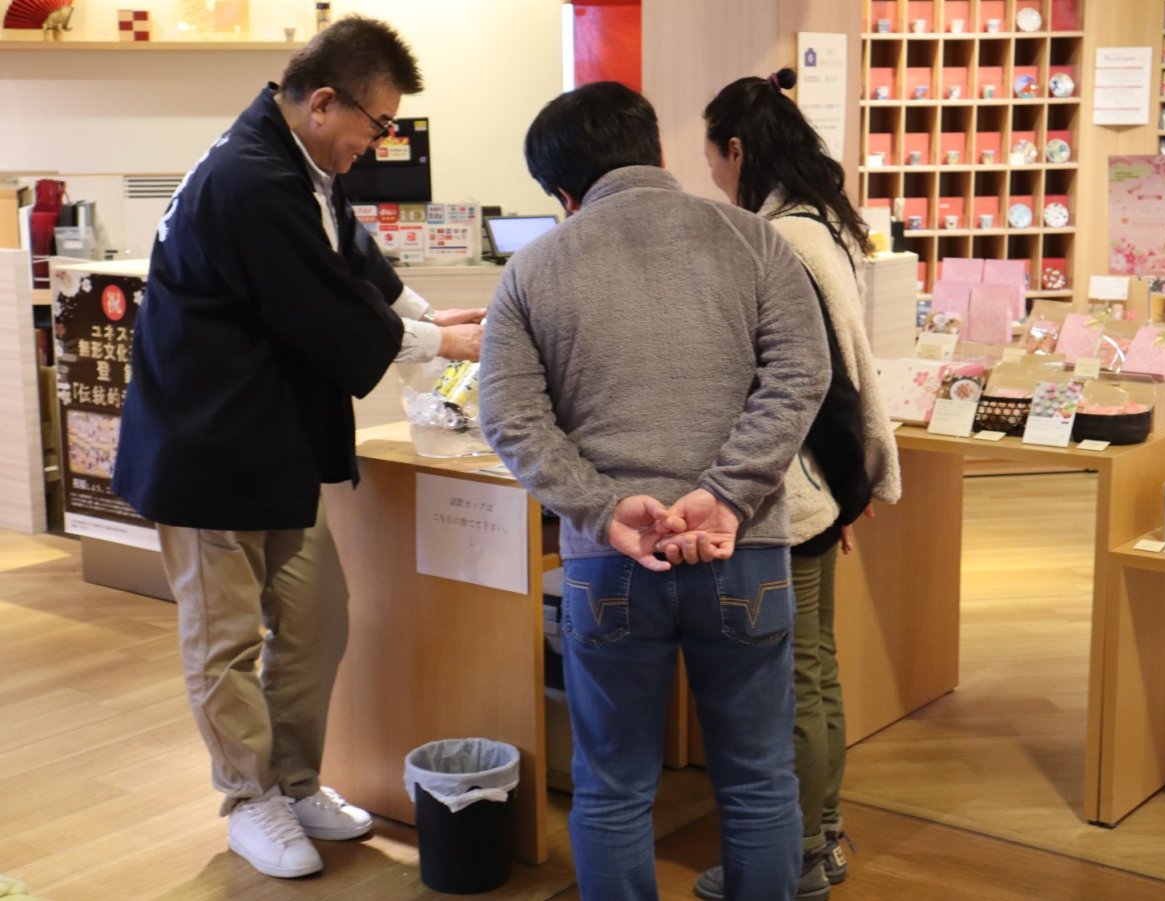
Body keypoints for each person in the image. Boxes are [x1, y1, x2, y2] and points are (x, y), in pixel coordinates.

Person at [112, 17, 483, 879]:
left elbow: (353, 263)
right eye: (376, 124)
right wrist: (441, 343)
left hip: (271, 442)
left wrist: (426, 315)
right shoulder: (248, 179)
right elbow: (318, 311)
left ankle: (294, 779)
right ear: (323, 102)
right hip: (205, 449)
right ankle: (250, 797)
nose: (377, 143)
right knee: (225, 641)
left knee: (318, 620)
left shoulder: (301, 167)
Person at [478, 81, 832, 901]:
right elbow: (801, 376)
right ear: (658, 150)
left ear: (561, 191)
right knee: (758, 779)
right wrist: (728, 494)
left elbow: (510, 418)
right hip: (744, 549)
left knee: (612, 787)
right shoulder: (754, 239)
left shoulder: (532, 269)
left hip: (609, 563)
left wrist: (602, 508)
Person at [693, 68, 903, 901]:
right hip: (823, 482)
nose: (713, 176)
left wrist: (838, 484)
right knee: (816, 666)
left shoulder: (778, 239)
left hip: (794, 487)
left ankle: (802, 853)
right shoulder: (825, 224)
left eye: (713, 159)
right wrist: (851, 486)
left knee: (793, 678)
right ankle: (824, 835)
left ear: (738, 150)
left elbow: (816, 382)